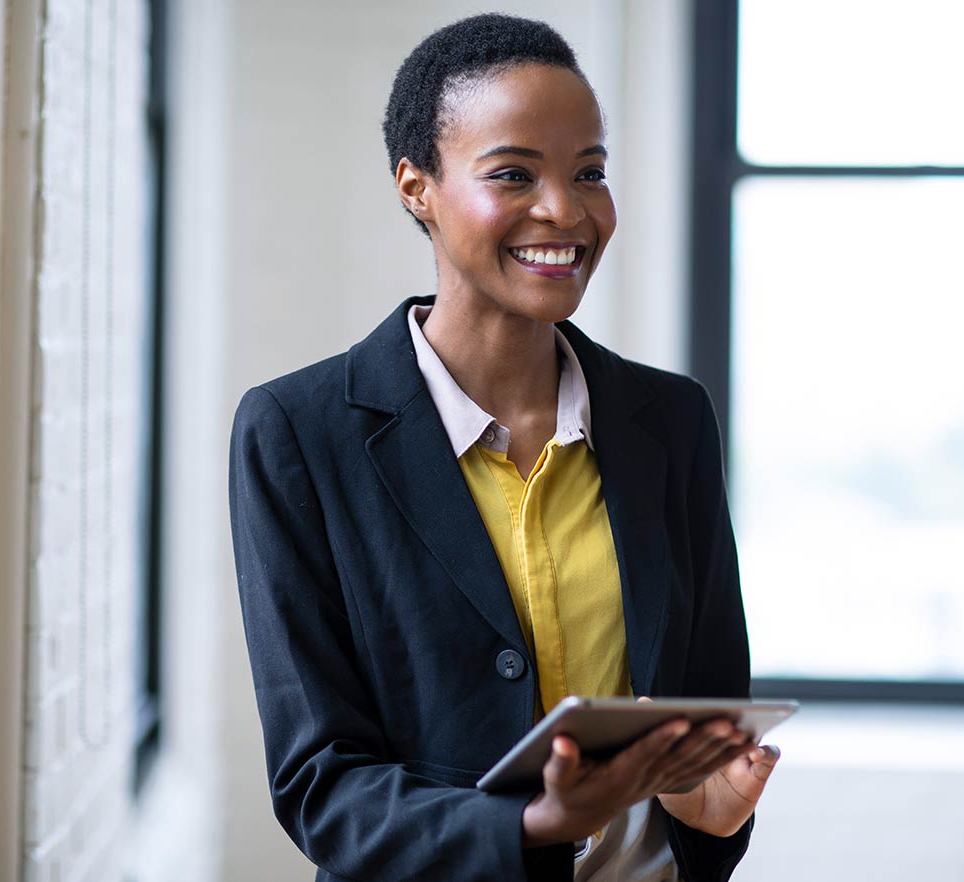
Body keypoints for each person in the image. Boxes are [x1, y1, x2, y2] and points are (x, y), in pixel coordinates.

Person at [228, 13, 780, 882]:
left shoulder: (671, 421)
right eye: (514, 173)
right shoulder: (298, 434)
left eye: (590, 172)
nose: (567, 210)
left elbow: (707, 719)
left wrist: (708, 819)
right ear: (418, 187)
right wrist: (527, 824)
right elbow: (320, 788)